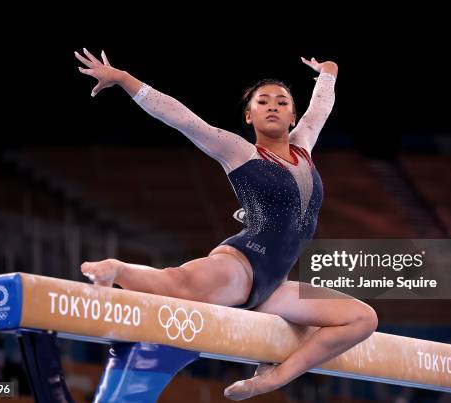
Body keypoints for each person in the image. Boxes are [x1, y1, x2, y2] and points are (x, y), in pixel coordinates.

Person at [75, 48, 378, 401]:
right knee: (181, 284)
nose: (273, 106)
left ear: (294, 116)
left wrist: (330, 71)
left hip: (274, 283)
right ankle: (117, 269)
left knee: (362, 319)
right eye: (262, 102)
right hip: (243, 264)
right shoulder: (239, 152)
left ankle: (274, 378)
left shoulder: (304, 146)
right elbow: (184, 119)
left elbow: (322, 106)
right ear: (249, 116)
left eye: (282, 102)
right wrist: (124, 79)